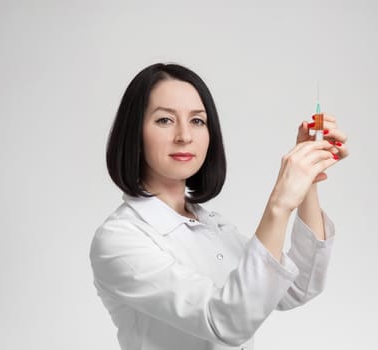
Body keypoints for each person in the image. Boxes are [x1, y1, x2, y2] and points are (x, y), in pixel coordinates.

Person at [90, 63, 349, 350]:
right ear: (134, 132)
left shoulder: (211, 225)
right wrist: (279, 204)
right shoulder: (120, 239)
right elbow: (227, 321)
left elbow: (298, 287)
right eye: (164, 120)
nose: (184, 136)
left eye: (197, 121)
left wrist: (307, 177)